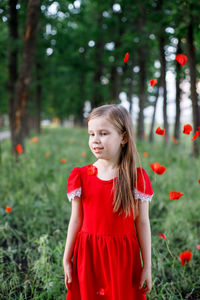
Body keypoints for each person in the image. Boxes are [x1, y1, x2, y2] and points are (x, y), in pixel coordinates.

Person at [63, 104, 154, 300]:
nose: (95, 140)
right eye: (91, 134)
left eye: (103, 133)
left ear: (124, 137)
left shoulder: (136, 178)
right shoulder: (81, 176)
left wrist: (147, 265)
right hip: (89, 257)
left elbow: (142, 223)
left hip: (123, 260)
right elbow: (76, 220)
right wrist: (66, 259)